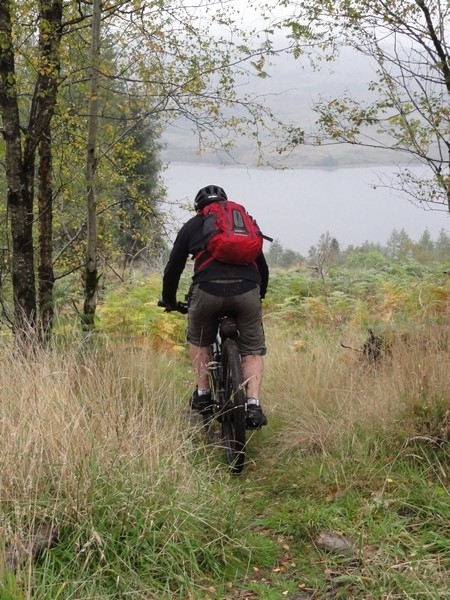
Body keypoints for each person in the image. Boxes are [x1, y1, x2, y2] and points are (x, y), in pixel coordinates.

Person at [161, 184, 269, 429]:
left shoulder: (192, 225)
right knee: (251, 349)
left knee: (199, 341)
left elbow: (174, 268)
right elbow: (262, 267)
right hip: (248, 290)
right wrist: (258, 295)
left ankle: (203, 394)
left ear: (198, 207)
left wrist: (169, 299)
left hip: (207, 290)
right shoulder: (241, 223)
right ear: (225, 204)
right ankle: (252, 404)